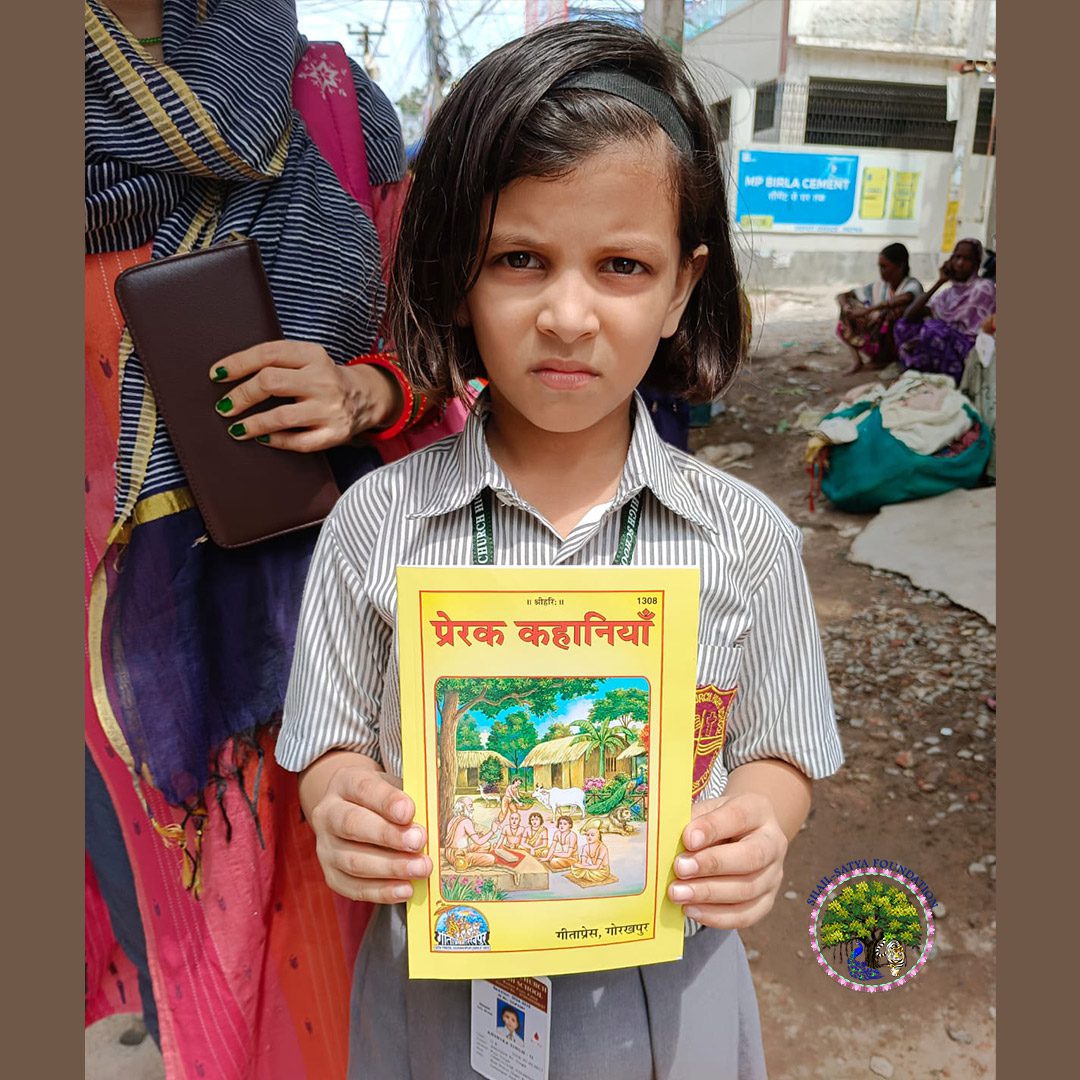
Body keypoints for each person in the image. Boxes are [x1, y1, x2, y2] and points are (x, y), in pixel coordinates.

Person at [278, 18, 842, 1080]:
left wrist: (759, 825)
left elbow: (782, 748)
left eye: (622, 265)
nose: (568, 314)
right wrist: (342, 802)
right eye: (519, 260)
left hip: (670, 999)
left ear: (682, 287)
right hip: (438, 1004)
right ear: (457, 273)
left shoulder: (746, 538)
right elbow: (328, 739)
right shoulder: (374, 525)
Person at [84, 2, 449, 1074]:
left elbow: (449, 342)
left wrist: (366, 389)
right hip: (117, 671)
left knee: (349, 951)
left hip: (328, 638)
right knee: (184, 942)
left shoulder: (326, 100)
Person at [892, 238, 997, 384]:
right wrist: (939, 281)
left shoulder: (983, 288)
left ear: (976, 264)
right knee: (902, 326)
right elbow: (909, 316)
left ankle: (937, 376)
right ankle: (922, 374)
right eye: (957, 257)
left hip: (971, 351)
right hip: (943, 341)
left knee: (932, 330)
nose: (959, 263)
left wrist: (925, 336)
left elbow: (970, 332)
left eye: (967, 259)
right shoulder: (949, 293)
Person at [835, 243, 923, 374]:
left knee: (890, 313)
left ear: (900, 266)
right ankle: (857, 361)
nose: (881, 271)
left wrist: (868, 310)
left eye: (884, 267)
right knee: (849, 310)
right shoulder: (880, 286)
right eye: (880, 267)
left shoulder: (912, 285)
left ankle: (885, 359)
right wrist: (847, 307)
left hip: (906, 337)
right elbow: (842, 296)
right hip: (878, 332)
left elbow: (905, 298)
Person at [566, 822, 618, 887]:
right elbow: (583, 862)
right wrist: (584, 865)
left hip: (601, 871)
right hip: (592, 867)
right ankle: (586, 873)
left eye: (592, 835)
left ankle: (586, 874)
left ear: (598, 836)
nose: (589, 837)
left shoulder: (602, 848)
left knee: (587, 872)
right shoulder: (585, 847)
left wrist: (582, 866)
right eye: (587, 835)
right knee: (575, 867)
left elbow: (597, 866)